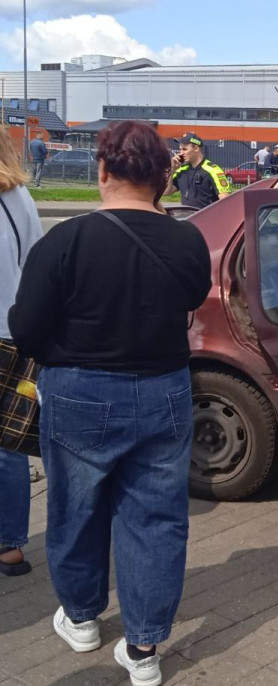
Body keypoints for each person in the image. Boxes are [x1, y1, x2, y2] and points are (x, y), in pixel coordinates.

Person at [8, 121, 211, 686]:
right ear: (164, 178)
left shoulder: (66, 241)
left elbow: (24, 328)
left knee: (76, 509)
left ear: (101, 171)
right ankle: (144, 649)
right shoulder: (189, 240)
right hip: (165, 390)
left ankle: (81, 619)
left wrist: (62, 356)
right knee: (157, 519)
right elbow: (193, 298)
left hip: (80, 392)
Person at [0, 127, 42, 578]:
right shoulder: (21, 200)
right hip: (9, 334)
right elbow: (34, 265)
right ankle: (10, 546)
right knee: (7, 445)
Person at [164, 132, 230, 209]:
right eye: (180, 149)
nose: (181, 153)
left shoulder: (213, 170)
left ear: (196, 148)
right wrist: (172, 170)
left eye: (184, 149)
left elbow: (225, 200)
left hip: (206, 218)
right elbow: (166, 192)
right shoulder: (181, 170)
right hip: (187, 217)